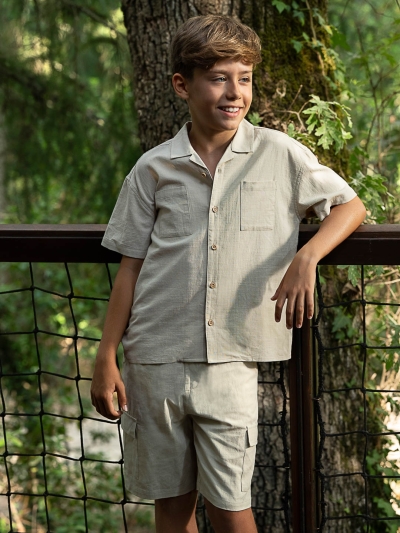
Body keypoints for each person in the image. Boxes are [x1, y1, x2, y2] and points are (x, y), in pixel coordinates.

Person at [90, 14, 366, 533]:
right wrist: (105, 355)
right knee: (172, 511)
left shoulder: (279, 153)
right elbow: (130, 269)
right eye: (218, 78)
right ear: (183, 85)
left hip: (232, 361)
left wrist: (306, 257)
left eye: (244, 78)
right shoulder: (153, 168)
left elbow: (350, 207)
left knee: (231, 509)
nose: (234, 92)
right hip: (154, 359)